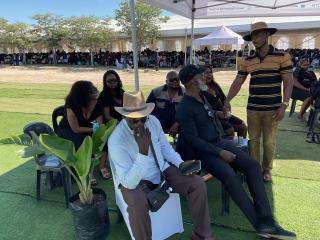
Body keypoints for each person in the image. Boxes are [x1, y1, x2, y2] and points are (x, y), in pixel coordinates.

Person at [176, 64, 296, 240]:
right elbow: (193, 140)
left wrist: (220, 114)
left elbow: (206, 115)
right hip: (205, 152)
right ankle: (260, 225)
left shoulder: (202, 95)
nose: (206, 77)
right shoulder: (185, 107)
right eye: (202, 76)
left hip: (220, 141)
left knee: (253, 166)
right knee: (229, 176)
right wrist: (220, 153)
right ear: (194, 81)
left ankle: (267, 221)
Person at [108, 91, 213, 240]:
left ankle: (201, 234)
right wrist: (142, 153)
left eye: (142, 119)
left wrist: (180, 163)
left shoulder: (153, 121)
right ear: (125, 117)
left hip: (161, 169)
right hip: (133, 181)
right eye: (134, 120)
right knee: (137, 205)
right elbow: (128, 182)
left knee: (197, 183)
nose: (139, 124)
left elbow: (164, 147)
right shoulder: (116, 140)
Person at [223, 22, 294, 182]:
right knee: (253, 141)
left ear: (267, 35)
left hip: (273, 109)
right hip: (253, 108)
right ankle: (255, 171)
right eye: (253, 36)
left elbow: (288, 82)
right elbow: (237, 82)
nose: (255, 38)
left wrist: (284, 105)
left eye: (259, 35)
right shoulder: (248, 60)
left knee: (269, 142)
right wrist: (227, 100)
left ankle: (267, 170)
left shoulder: (282, 56)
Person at [57, 80, 109, 184]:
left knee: (103, 139)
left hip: (87, 128)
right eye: (92, 98)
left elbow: (98, 124)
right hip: (68, 131)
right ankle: (88, 171)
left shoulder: (97, 104)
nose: (95, 100)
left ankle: (102, 166)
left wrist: (96, 130)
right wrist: (94, 129)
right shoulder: (71, 106)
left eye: (95, 98)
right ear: (83, 98)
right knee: (83, 142)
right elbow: (75, 129)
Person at [203, 65, 247, 138]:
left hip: (224, 115)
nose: (209, 74)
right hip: (212, 117)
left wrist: (227, 109)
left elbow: (225, 100)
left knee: (243, 127)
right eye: (206, 73)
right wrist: (216, 113)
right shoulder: (199, 89)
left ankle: (241, 147)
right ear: (201, 75)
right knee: (230, 130)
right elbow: (202, 108)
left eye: (210, 72)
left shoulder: (215, 85)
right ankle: (229, 148)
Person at [146, 71, 185, 137]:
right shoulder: (156, 92)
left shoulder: (185, 93)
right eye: (171, 80)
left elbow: (187, 112)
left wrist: (176, 124)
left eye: (177, 79)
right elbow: (148, 108)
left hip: (179, 122)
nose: (175, 82)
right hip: (158, 122)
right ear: (166, 81)